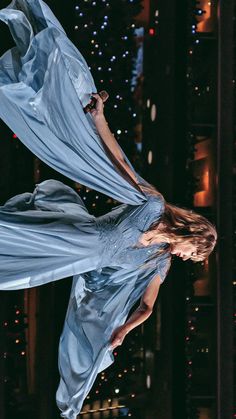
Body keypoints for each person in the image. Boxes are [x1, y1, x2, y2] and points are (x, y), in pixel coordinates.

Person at [0, 1, 217, 418]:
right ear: (192, 237)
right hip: (82, 241)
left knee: (24, 259)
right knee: (22, 244)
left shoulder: (160, 263)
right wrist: (99, 120)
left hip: (85, 257)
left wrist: (120, 332)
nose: (191, 260)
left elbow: (147, 308)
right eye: (195, 253)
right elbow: (120, 164)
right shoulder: (153, 207)